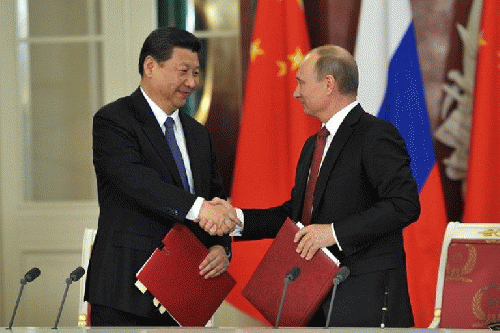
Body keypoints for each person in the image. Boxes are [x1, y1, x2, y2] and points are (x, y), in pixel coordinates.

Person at [198, 45, 421, 327]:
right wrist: (236, 218)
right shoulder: (312, 145)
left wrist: (333, 233)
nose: (295, 92)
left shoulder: (375, 135)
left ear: (329, 84)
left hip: (366, 298)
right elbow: (298, 216)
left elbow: (404, 205)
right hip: (313, 298)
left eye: (302, 82)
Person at [84, 27, 240, 327]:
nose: (192, 83)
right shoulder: (114, 121)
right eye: (183, 71)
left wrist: (221, 247)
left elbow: (214, 198)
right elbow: (139, 184)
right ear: (150, 66)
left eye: (196, 73)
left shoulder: (198, 134)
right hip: (124, 291)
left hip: (184, 292)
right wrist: (201, 209)